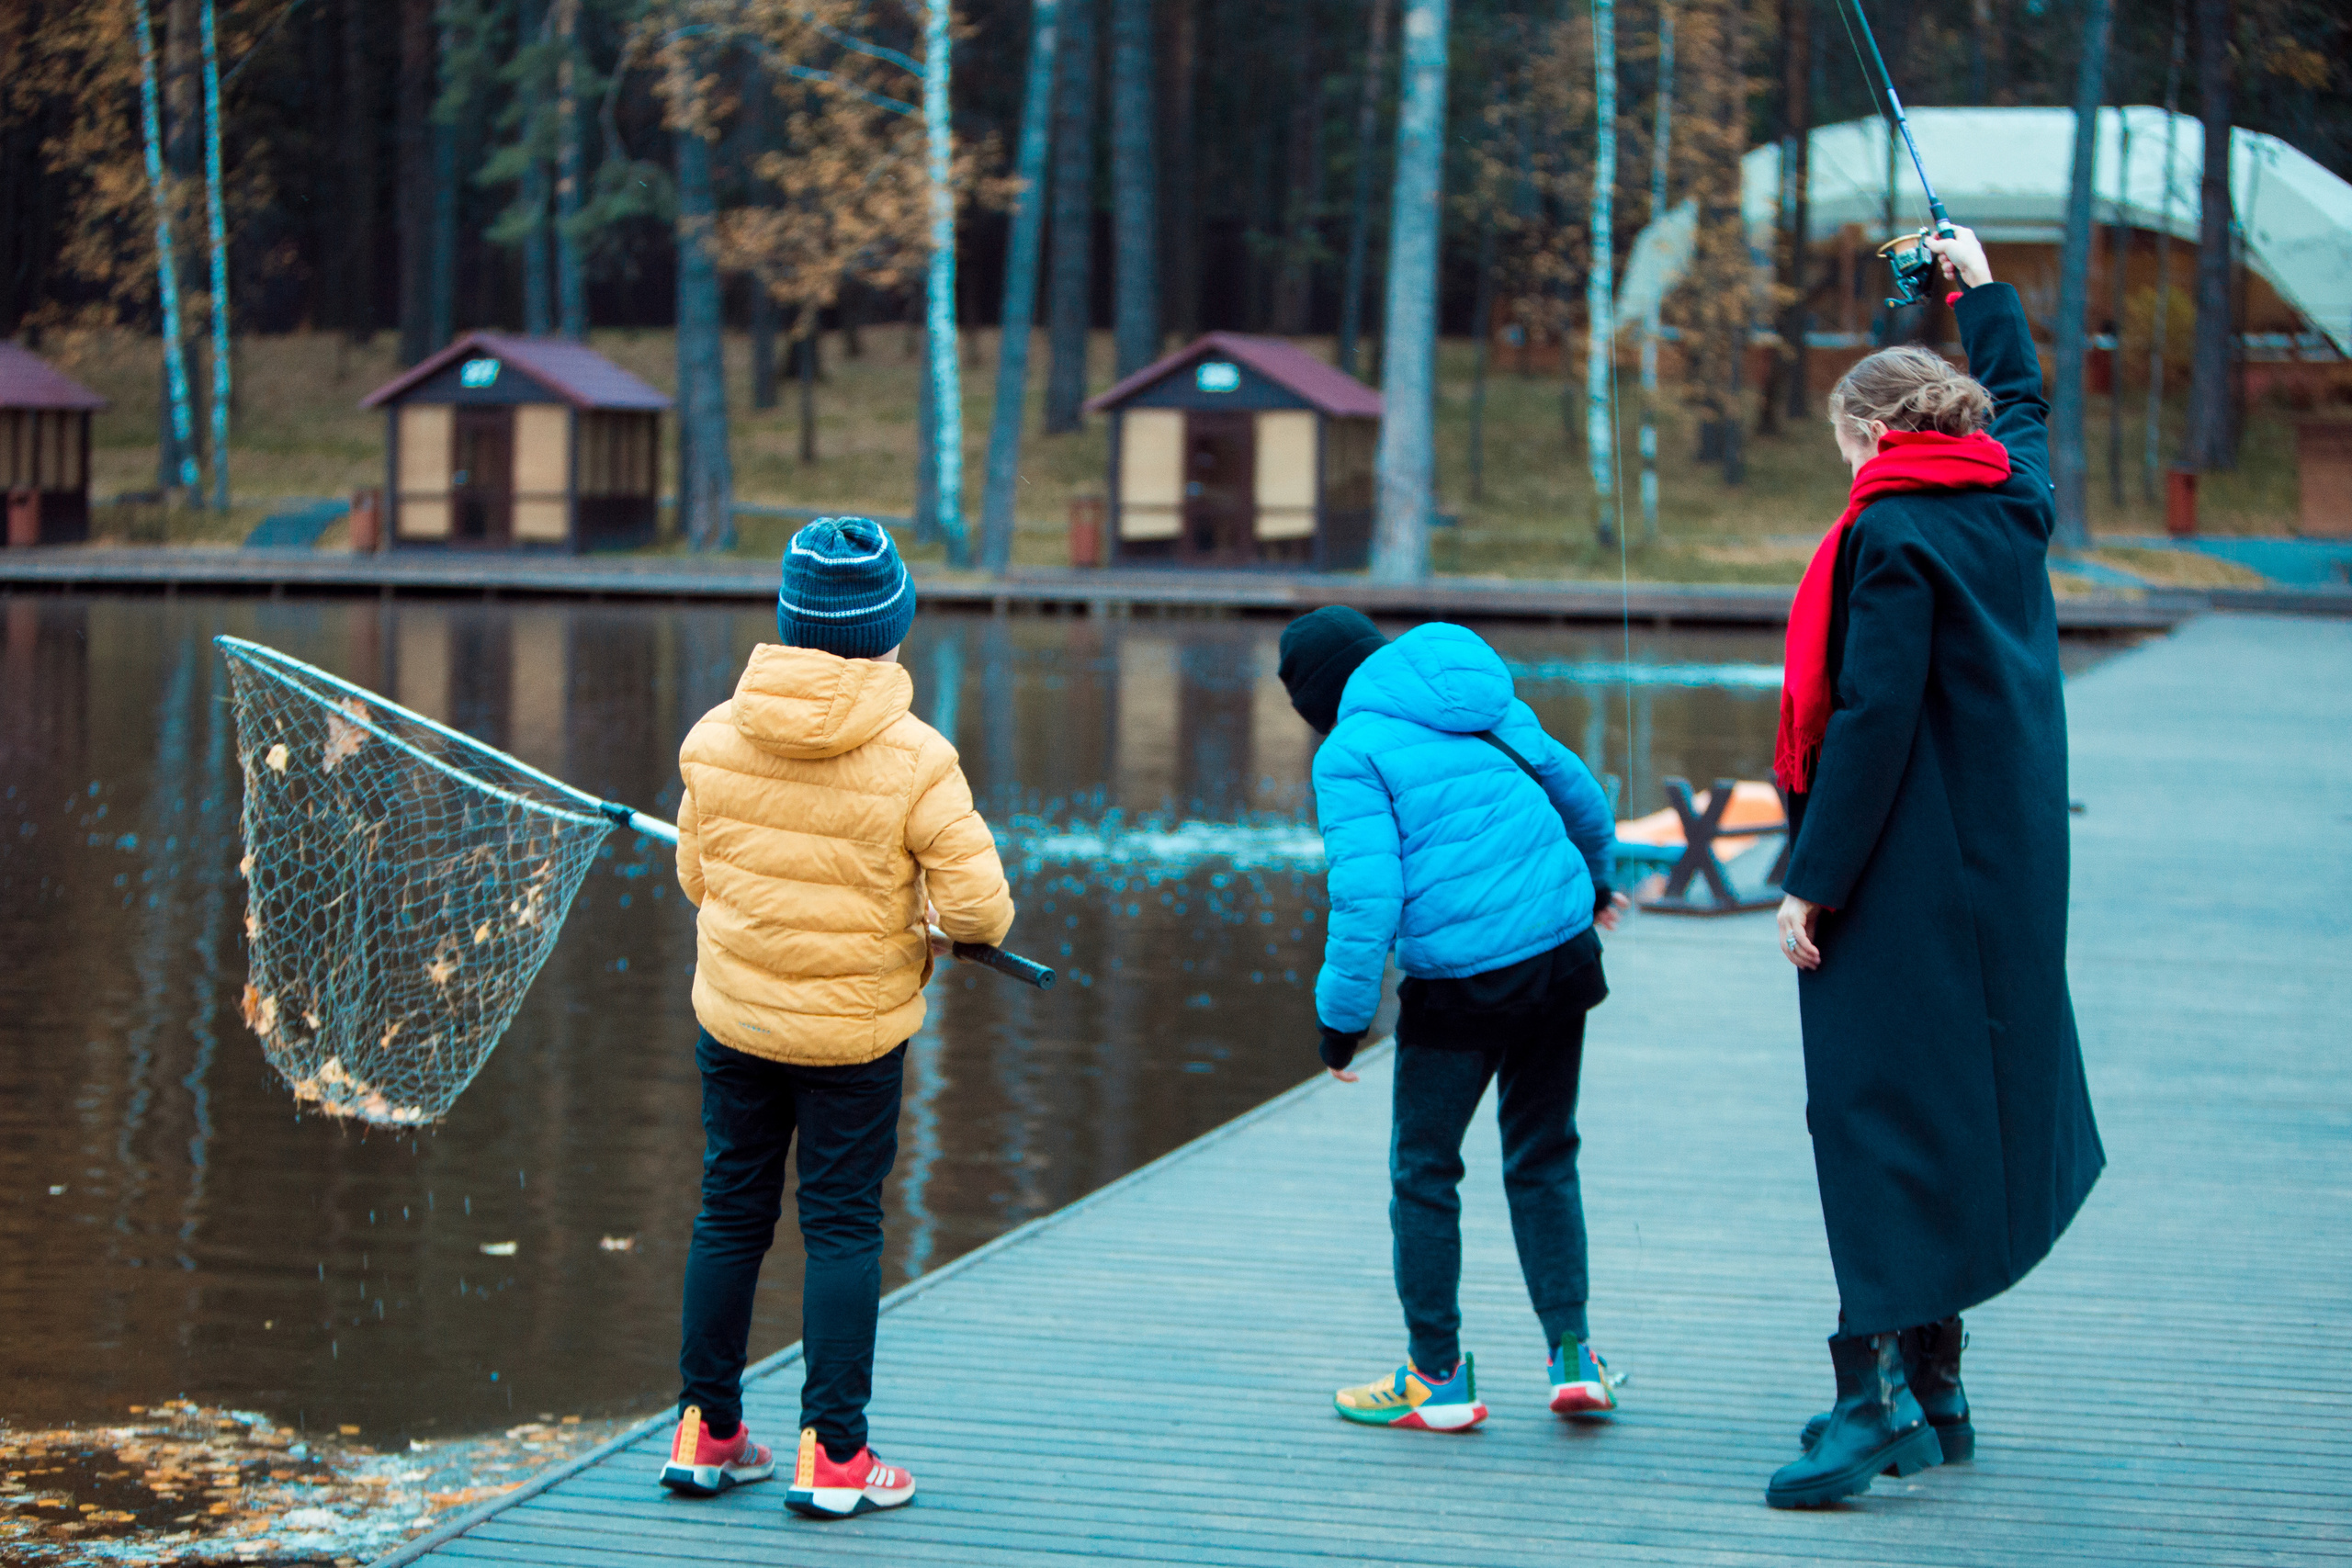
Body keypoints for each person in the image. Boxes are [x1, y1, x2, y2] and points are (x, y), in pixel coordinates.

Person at [1764, 229, 2105, 1509]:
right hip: (2002, 875)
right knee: (1940, 1109)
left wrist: (1813, 879)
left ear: (1871, 434)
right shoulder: (2007, 496)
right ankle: (1942, 1391)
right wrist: (1980, 287)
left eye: (1845, 444)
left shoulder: (1896, 533)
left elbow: (1871, 717)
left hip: (1906, 879)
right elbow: (2024, 407)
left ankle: (1870, 1404)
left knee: (1867, 1120)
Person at [661, 517, 1014, 1520]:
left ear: (790, 621)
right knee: (843, 1226)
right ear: (887, 629)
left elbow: (697, 876)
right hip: (853, 1036)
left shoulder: (712, 737)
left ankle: (705, 1432)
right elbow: (982, 912)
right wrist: (934, 926)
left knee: (730, 1212)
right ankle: (835, 1457)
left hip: (734, 1020)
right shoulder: (917, 758)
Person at [1277, 606, 1629, 1433]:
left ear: (1317, 699)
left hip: (1464, 986)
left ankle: (1436, 1375)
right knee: (1544, 1155)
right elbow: (1577, 792)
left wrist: (1341, 1024)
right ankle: (1574, 1357)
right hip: (1561, 955)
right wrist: (1602, 883)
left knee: (1425, 1172)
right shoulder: (1479, 696)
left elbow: (1368, 900)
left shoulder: (1350, 751)